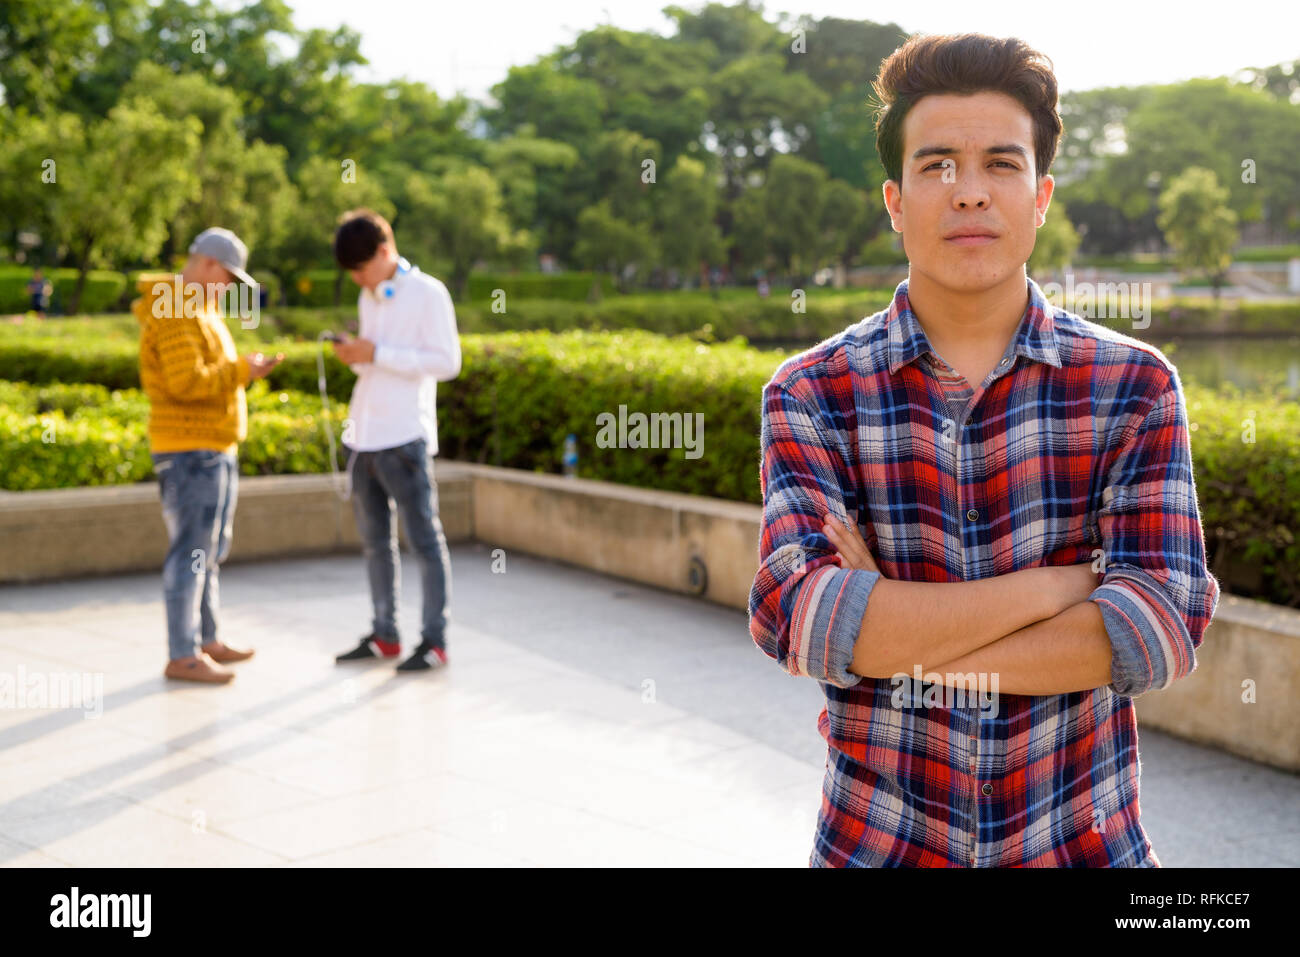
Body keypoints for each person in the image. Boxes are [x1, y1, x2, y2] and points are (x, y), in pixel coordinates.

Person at [748, 33, 1220, 867]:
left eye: (1000, 164)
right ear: (894, 200)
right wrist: (1064, 586)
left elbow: (1158, 627)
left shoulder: (1133, 387)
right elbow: (802, 618)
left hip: (1080, 845)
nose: (969, 193)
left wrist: (893, 636)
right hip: (879, 845)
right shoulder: (813, 393)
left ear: (1039, 197)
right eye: (936, 166)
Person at [135, 227, 282, 684]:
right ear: (207, 264)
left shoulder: (196, 306)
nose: (226, 286)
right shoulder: (175, 306)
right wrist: (243, 371)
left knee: (208, 551)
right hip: (190, 450)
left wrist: (241, 371)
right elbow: (186, 382)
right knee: (192, 553)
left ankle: (205, 640)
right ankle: (183, 654)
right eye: (226, 276)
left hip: (210, 447)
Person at [329, 209, 461, 672]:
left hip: (404, 436)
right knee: (374, 543)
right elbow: (376, 361)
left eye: (363, 271)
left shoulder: (429, 293)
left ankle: (435, 640)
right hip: (364, 435)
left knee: (424, 540)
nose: (362, 282)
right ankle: (385, 632)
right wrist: (357, 355)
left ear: (385, 252)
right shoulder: (372, 298)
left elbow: (447, 362)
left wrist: (379, 354)